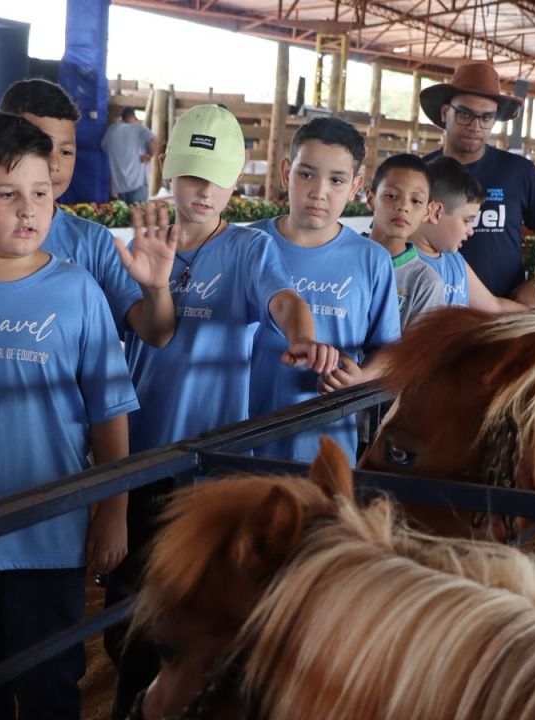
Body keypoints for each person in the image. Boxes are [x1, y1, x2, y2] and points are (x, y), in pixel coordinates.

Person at [105, 104, 338, 719]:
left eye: (214, 178)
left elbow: (285, 299)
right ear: (167, 175)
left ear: (235, 183)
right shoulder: (143, 245)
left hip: (212, 466)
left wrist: (303, 333)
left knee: (189, 609)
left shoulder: (246, 249)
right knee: (127, 611)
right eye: (189, 175)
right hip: (140, 459)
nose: (201, 190)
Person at [0, 112, 139, 719]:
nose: (28, 210)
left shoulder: (78, 291)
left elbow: (109, 409)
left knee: (50, 688)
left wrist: (113, 511)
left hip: (51, 534)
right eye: (8, 194)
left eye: (40, 193)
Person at [0, 79, 177, 347]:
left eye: (66, 151)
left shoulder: (95, 244)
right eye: (39, 147)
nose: (54, 164)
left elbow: (155, 333)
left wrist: (157, 290)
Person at [248, 116, 401, 465]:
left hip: (326, 450)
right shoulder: (247, 245)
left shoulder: (371, 260)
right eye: (306, 174)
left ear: (356, 186)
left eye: (336, 180)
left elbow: (390, 350)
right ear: (287, 172)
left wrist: (362, 377)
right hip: (238, 441)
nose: (319, 191)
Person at [420, 60, 535, 307]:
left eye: (487, 117)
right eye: (465, 113)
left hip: (503, 309)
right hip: (429, 310)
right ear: (446, 112)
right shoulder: (420, 174)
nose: (475, 126)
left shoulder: (520, 172)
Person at [414, 156, 529, 315]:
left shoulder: (455, 260)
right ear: (435, 213)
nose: (470, 230)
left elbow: (494, 306)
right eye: (467, 220)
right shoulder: (399, 266)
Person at [364, 153, 445, 328]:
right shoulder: (341, 257)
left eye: (416, 201)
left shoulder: (425, 282)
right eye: (391, 196)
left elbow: (419, 353)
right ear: (371, 199)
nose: (403, 206)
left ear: (427, 211)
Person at [101, 107, 158, 204]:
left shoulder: (112, 129)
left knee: (123, 214)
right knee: (138, 213)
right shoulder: (140, 129)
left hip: (119, 184)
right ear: (134, 117)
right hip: (138, 182)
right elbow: (154, 141)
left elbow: (104, 147)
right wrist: (149, 155)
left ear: (122, 118)